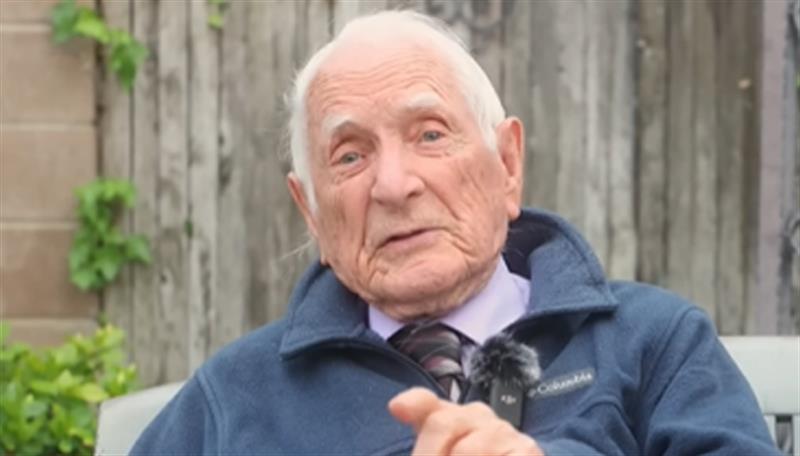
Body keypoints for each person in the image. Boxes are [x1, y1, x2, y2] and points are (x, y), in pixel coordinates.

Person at [131, 10, 779, 455]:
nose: (393, 185)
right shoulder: (234, 397)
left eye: (430, 135)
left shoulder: (653, 343)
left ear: (507, 165)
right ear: (312, 213)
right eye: (350, 156)